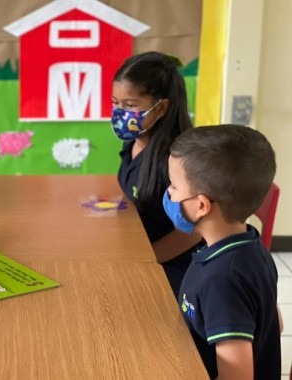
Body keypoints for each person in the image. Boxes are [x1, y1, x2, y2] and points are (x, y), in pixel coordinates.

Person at [165, 124, 279, 379]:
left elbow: (237, 376)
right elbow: (275, 322)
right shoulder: (251, 246)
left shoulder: (221, 281)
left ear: (202, 205)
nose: (168, 194)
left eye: (173, 186)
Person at [112, 51, 202, 297]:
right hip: (139, 249)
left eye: (130, 105)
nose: (120, 113)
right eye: (115, 103)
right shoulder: (133, 142)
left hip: (173, 266)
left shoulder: (178, 159)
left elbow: (194, 230)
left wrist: (149, 258)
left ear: (161, 108)